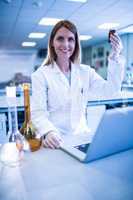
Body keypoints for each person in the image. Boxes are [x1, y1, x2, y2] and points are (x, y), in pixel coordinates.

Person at [31, 20, 124, 149]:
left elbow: (111, 91)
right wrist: (48, 132)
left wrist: (115, 56)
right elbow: (38, 113)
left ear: (76, 43)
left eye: (70, 39)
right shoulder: (40, 75)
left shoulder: (85, 72)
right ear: (52, 42)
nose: (66, 44)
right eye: (60, 39)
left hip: (82, 139)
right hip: (56, 141)